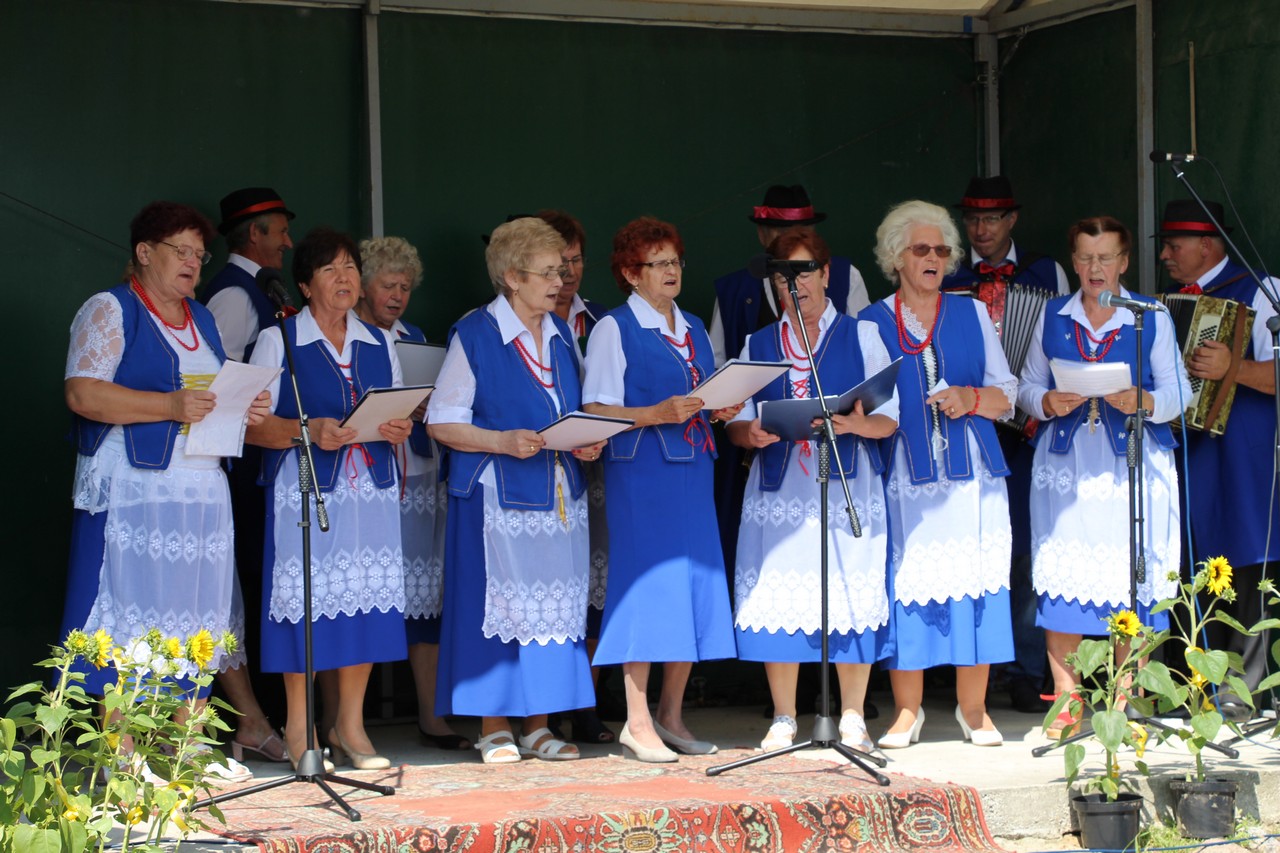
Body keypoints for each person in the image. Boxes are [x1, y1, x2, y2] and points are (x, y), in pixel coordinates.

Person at [61, 200, 271, 781]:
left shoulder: (202, 318)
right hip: (135, 489)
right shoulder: (112, 309)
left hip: (201, 489)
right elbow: (83, 394)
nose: (193, 265)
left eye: (201, 256)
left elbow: (212, 393)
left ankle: (188, 743)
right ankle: (122, 753)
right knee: (129, 612)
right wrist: (169, 406)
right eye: (182, 251)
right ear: (144, 252)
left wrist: (244, 404)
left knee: (197, 611)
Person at [429, 217, 601, 764]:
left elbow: (569, 411)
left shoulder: (561, 334)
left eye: (564, 269)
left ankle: (539, 724)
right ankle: (494, 725)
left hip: (557, 492)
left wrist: (585, 442)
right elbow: (441, 422)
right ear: (511, 276)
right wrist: (501, 440)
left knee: (553, 611)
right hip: (497, 497)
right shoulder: (475, 334)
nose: (560, 281)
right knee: (498, 609)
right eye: (547, 272)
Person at [247, 227, 411, 770]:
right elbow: (252, 426)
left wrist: (396, 428)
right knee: (307, 607)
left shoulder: (379, 341)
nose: (344, 278)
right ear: (305, 284)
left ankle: (350, 723)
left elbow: (395, 408)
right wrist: (306, 430)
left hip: (370, 492)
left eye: (349, 268)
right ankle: (300, 726)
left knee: (365, 602)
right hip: (307, 490)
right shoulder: (281, 339)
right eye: (330, 270)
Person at [1018, 215, 1190, 736]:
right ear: (1073, 263)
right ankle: (1068, 703)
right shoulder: (1052, 315)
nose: (1096, 268)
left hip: (1131, 467)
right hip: (1067, 467)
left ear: (1124, 262)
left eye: (1106, 257)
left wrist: (1148, 400)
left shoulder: (1150, 315)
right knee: (1065, 581)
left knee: (1129, 579)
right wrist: (1046, 400)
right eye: (1086, 258)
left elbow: (1182, 393)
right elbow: (1024, 387)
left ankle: (1126, 703)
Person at [728, 230, 897, 753]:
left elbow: (889, 418)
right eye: (783, 275)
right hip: (781, 486)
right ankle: (783, 716)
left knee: (850, 587)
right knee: (779, 591)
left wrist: (854, 426)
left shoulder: (860, 334)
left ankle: (851, 715)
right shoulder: (758, 344)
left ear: (826, 275)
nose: (794, 284)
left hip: (846, 478)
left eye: (803, 272)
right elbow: (734, 419)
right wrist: (748, 433)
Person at [583, 216, 740, 763]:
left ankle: (671, 712)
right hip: (642, 472)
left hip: (694, 466)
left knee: (692, 585)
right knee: (645, 585)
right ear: (631, 272)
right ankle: (636, 717)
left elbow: (706, 390)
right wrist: (653, 413)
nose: (672, 271)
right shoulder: (613, 328)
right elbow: (596, 409)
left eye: (675, 260)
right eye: (659, 262)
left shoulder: (694, 325)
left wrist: (723, 405)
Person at [862, 200, 1016, 748]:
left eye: (942, 249)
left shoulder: (971, 313)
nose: (934, 258)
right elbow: (867, 403)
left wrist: (971, 396)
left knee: (976, 580)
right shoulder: (871, 323)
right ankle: (908, 711)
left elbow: (1008, 395)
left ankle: (973, 710)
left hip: (973, 474)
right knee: (909, 583)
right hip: (908, 472)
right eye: (921, 249)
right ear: (896, 257)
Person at [941, 175, 1070, 715]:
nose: (981, 229)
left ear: (1012, 220)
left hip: (1029, 430)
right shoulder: (948, 272)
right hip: (966, 423)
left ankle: (1024, 668)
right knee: (956, 543)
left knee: (1025, 550)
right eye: (972, 219)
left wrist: (1041, 401)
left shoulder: (1047, 272)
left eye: (992, 219)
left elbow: (1064, 338)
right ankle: (953, 666)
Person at [711, 186, 872, 590]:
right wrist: (743, 426)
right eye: (776, 228)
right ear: (762, 235)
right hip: (773, 466)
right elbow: (719, 364)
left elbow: (852, 348)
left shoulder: (850, 280)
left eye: (796, 227)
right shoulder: (733, 290)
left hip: (845, 468)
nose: (785, 235)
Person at [1158, 199, 1279, 720]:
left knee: (1248, 558)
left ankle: (1249, 688)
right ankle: (1196, 686)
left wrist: (1234, 367)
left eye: (1173, 245)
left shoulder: (1259, 289)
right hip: (1193, 448)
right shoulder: (1168, 302)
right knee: (1191, 561)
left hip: (1243, 452)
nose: (1164, 254)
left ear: (1207, 246)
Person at [354, 235, 470, 751]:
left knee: (425, 601)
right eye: (387, 285)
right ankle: (342, 723)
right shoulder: (347, 334)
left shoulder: (415, 335)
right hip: (367, 478)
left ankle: (430, 714)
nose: (397, 295)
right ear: (361, 285)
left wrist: (428, 406)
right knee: (359, 597)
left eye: (405, 287)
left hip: (418, 473)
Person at [199, 186, 298, 762]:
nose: (286, 240)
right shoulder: (235, 298)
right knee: (249, 579)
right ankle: (246, 715)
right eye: (279, 230)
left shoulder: (259, 290)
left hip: (253, 461)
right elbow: (219, 384)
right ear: (254, 234)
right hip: (241, 467)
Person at [537, 209, 616, 745]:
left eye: (575, 259)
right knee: (548, 588)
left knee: (595, 588)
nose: (567, 272)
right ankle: (540, 707)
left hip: (602, 467)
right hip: (541, 469)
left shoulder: (602, 320)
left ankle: (585, 701)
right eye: (556, 262)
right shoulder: (504, 324)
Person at [202, 187, 296, 361]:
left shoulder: (258, 285)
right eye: (282, 232)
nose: (288, 243)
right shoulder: (234, 294)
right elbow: (218, 371)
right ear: (254, 233)